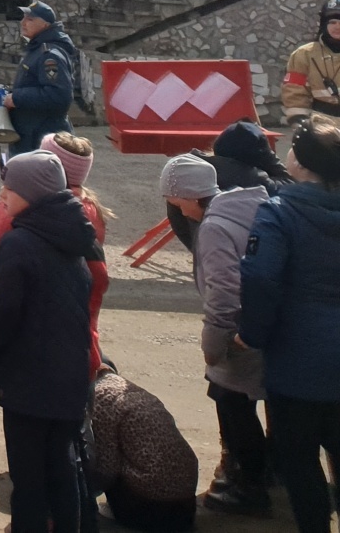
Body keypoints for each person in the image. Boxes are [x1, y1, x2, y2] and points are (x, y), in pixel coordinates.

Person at [0, 151, 99, 533]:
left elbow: (2, 315)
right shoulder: (76, 234)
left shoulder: (20, 244)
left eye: (10, 187)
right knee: (62, 470)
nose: (3, 194)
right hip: (70, 378)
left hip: (28, 382)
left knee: (28, 483)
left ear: (30, 193)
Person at [238, 117, 340, 533]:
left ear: (301, 158)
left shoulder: (279, 211)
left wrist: (252, 335)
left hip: (298, 360)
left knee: (300, 462)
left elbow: (261, 278)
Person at [157, 151, 269, 516]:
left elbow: (224, 292)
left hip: (240, 333)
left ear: (189, 196)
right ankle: (261, 474)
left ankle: (248, 486)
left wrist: (214, 344)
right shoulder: (246, 209)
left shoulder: (215, 227)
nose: (175, 208)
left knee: (231, 402)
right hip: (264, 325)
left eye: (175, 200)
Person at [0, 131, 111, 370]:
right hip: (78, 328)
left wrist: (8, 202)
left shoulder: (38, 214)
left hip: (39, 338)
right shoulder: (88, 208)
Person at [88, 364, 200, 531]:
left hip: (151, 506)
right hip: (185, 503)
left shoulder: (100, 398)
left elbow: (107, 469)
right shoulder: (130, 390)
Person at [165, 121, 287, 252]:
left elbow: (180, 226)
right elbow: (292, 186)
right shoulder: (255, 179)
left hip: (205, 253)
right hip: (247, 259)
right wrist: (267, 155)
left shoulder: (187, 172)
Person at [5, 1, 78, 155]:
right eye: (23, 18)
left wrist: (16, 98)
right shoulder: (38, 49)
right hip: (31, 137)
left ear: (45, 25)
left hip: (41, 141)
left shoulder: (49, 55)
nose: (23, 22)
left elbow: (59, 96)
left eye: (30, 19)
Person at [281, 0, 340, 126]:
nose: (337, 27)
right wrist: (300, 124)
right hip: (320, 125)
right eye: (332, 22)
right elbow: (294, 92)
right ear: (324, 24)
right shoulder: (304, 55)